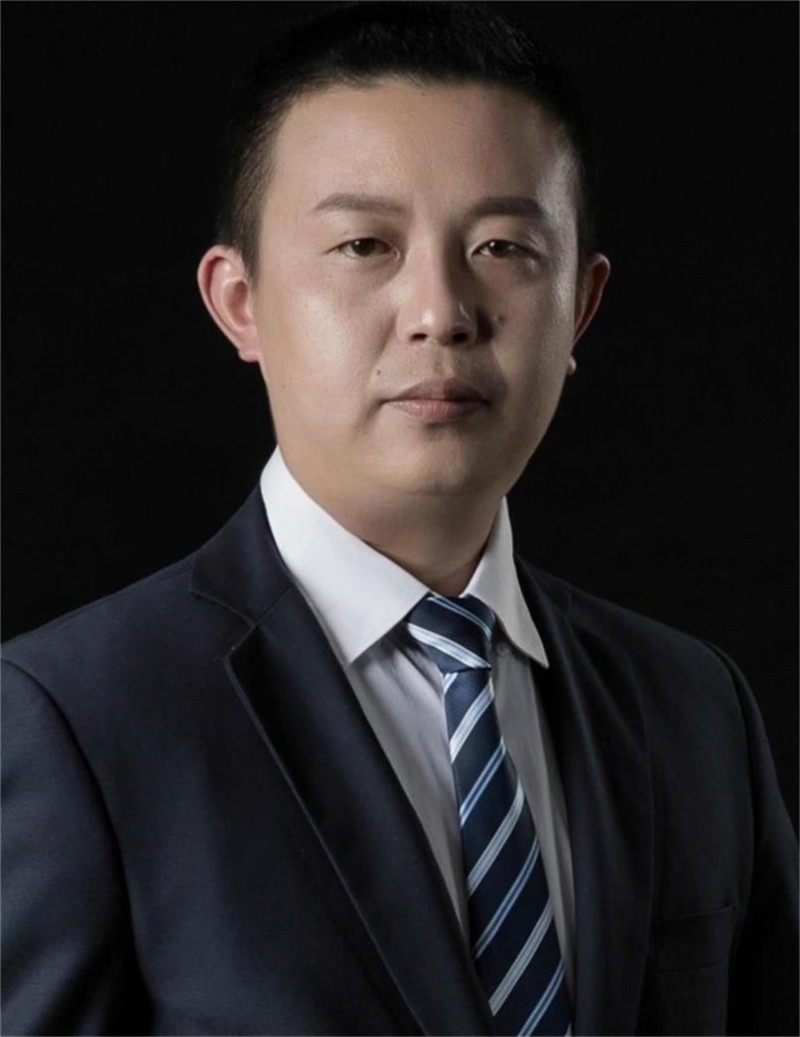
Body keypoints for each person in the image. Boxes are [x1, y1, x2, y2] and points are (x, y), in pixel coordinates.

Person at [2, 3, 796, 1035]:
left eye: (503, 245)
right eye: (364, 244)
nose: (440, 312)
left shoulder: (693, 706)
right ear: (239, 300)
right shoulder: (71, 721)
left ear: (579, 306)